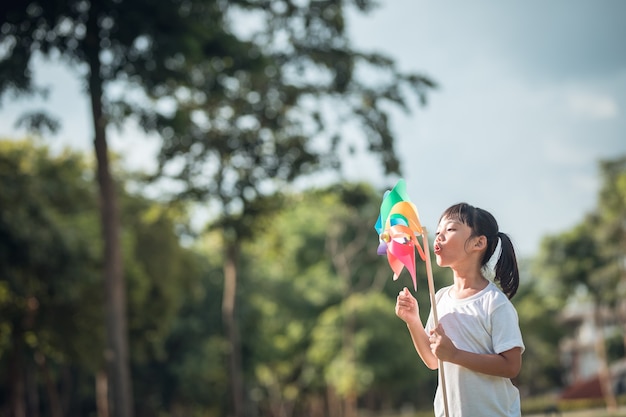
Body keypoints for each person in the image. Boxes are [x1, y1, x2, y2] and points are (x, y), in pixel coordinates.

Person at [395, 202, 524, 417]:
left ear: (478, 242)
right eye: (437, 232)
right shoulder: (440, 298)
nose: (439, 236)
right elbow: (433, 359)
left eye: (450, 229)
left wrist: (455, 354)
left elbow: (511, 366)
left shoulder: (494, 303)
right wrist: (413, 321)